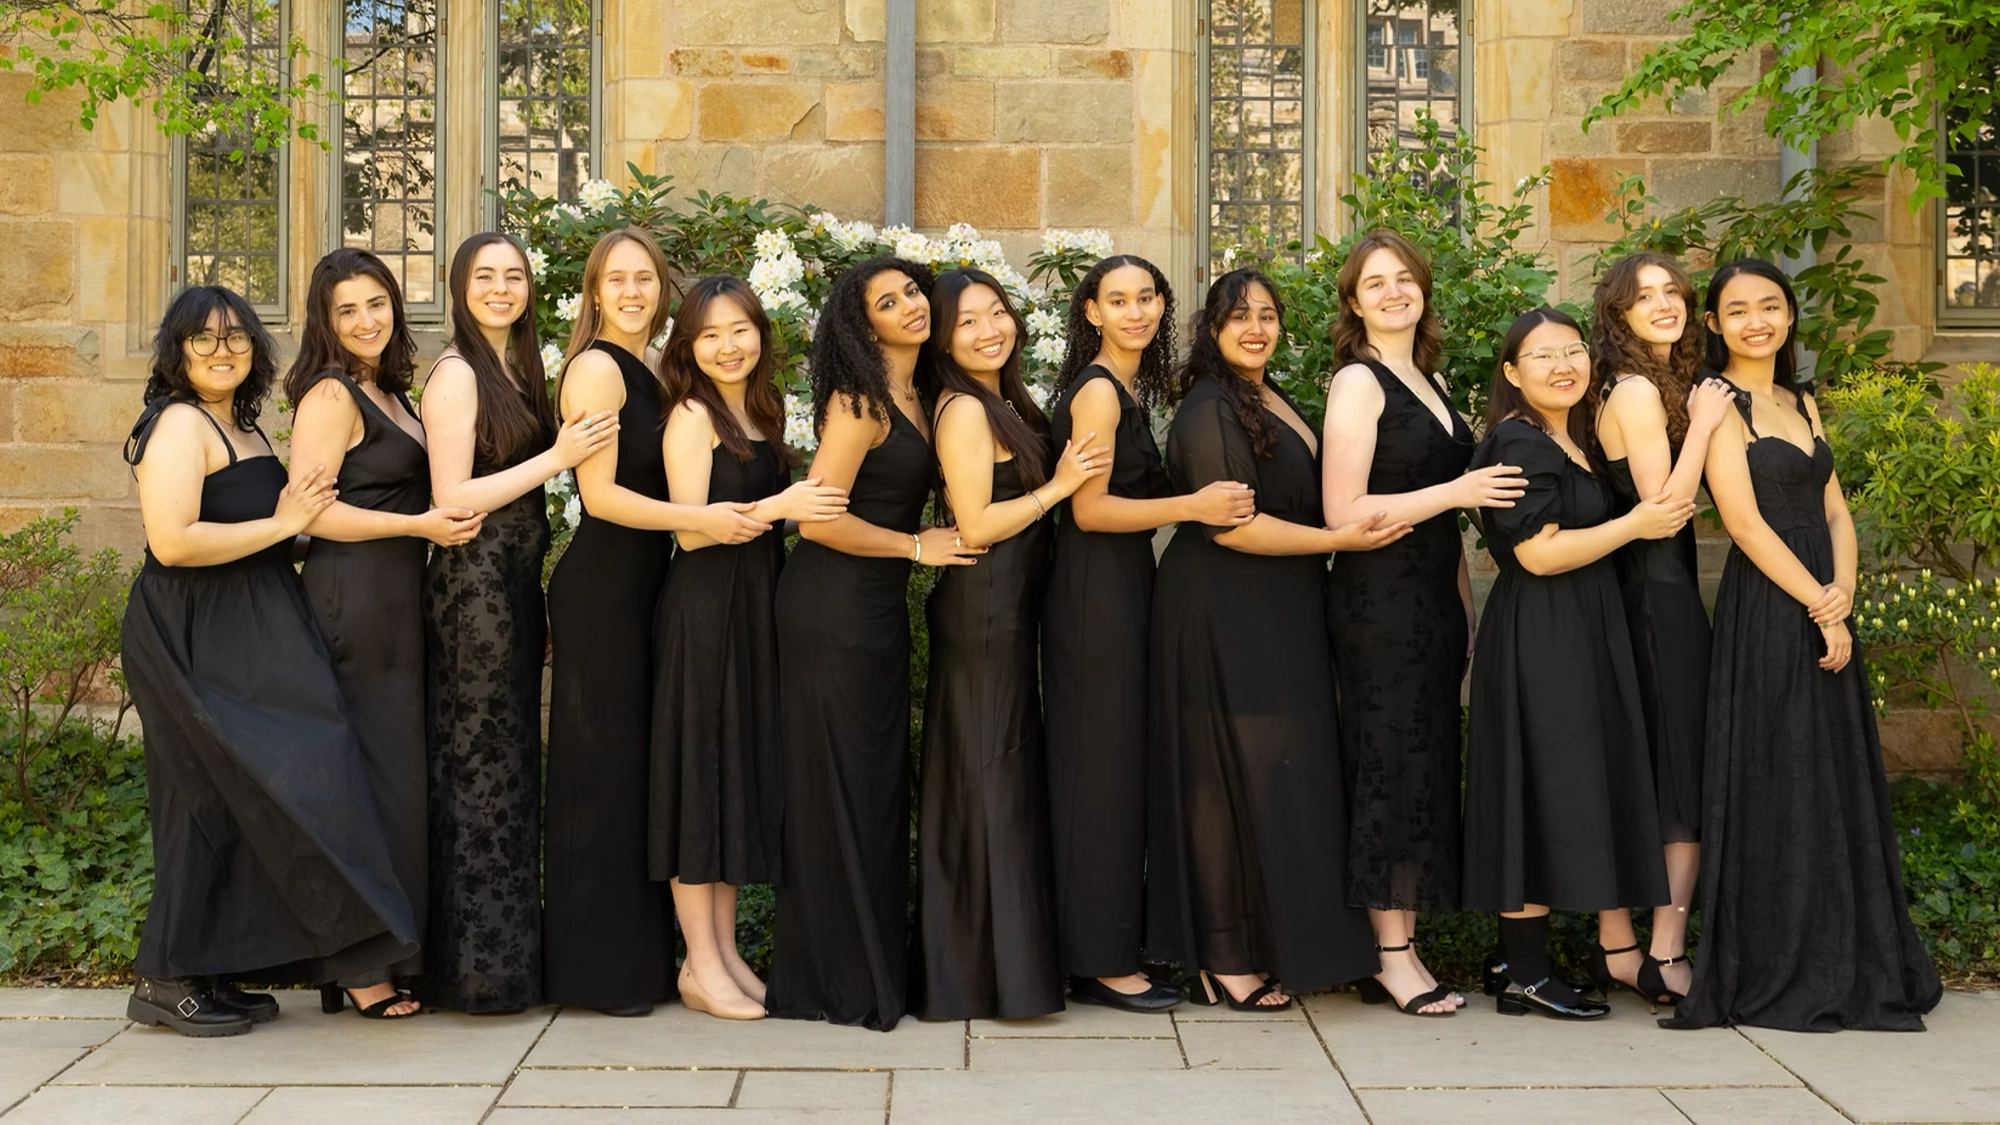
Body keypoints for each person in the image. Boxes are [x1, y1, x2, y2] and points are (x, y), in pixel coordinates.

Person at [121, 286, 418, 1035]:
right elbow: (173, 541)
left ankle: (212, 968)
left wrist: (311, 529)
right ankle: (166, 977)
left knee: (243, 794)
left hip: (253, 619)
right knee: (197, 795)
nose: (222, 351)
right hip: (190, 626)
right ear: (177, 352)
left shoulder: (243, 427)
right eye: (203, 339)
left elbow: (275, 525)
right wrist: (287, 521)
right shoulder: (180, 425)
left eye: (236, 338)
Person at [1663, 260, 1943, 1032]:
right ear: (1713, 323)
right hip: (1769, 608)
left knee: (1832, 777)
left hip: (1825, 604)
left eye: (1772, 306)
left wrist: (1842, 592)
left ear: (1789, 316)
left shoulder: (1803, 398)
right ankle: (1779, 963)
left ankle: (1847, 956)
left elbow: (1838, 510)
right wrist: (1819, 603)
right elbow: (1744, 522)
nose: (1758, 320)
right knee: (1780, 772)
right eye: (1739, 309)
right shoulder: (1716, 402)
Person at [1148, 268, 1408, 1013]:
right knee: (1225, 782)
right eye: (1239, 316)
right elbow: (1233, 526)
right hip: (1223, 606)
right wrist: (1337, 539)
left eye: (1267, 314)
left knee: (1278, 778)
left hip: (1283, 602)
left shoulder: (1268, 397)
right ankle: (1224, 955)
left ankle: (1272, 943)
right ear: (1211, 328)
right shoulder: (1207, 408)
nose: (1255, 327)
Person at [544, 228, 771, 1017]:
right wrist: (707, 518)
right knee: (602, 779)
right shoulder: (599, 367)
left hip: (649, 589)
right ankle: (597, 971)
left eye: (647, 278)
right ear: (595, 293)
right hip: (605, 587)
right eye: (618, 279)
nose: (634, 291)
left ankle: (659, 961)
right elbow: (600, 497)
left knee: (646, 776)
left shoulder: (647, 369)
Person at [767, 257, 982, 1031]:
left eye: (913, 291)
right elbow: (817, 519)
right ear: (864, 326)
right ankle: (837, 981)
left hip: (874, 611)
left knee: (873, 786)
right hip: (832, 608)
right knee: (842, 787)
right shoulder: (859, 402)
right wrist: (915, 548)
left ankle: (868, 968)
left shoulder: (920, 395)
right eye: (887, 302)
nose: (910, 306)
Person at [1320, 230, 1523, 1016]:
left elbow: (1445, 521)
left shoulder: (1426, 380)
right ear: (1353, 301)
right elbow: (1346, 511)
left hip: (1433, 604)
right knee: (1387, 767)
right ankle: (1390, 955)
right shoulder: (1358, 384)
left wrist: (1465, 611)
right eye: (1375, 282)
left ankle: (1402, 940)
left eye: (1405, 278)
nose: (1393, 291)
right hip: (1378, 602)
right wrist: (1459, 491)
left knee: (1423, 765)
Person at [1462, 307, 1684, 1020]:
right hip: (1542, 630)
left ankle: (1541, 959)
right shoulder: (1520, 442)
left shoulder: (1572, 437)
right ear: (1511, 372)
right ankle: (1522, 969)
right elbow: (1537, 552)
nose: (1563, 364)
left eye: (1572, 350)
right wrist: (1634, 524)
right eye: (1541, 355)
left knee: (1571, 784)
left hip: (1582, 625)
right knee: (1537, 786)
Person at [1042, 255, 1252, 1014]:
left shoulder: (1126, 386)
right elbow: (1090, 510)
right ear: (1092, 311)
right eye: (1118, 300)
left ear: (1164, 306)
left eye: (1147, 298)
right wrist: (1193, 505)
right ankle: (1096, 960)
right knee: (1098, 770)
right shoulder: (1098, 390)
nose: (1136, 312)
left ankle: (1108, 945)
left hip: (1124, 584)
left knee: (1117, 766)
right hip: (1094, 589)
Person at [418, 232, 618, 1014]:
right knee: (479, 777)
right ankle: (474, 974)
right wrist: (561, 455)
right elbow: (452, 499)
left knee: (507, 774)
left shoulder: (518, 368)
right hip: (470, 594)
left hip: (509, 590)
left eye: (515, 276)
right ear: (458, 287)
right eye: (485, 276)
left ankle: (506, 964)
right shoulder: (457, 373)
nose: (502, 288)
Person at [287, 247, 485, 1019]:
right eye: (347, 310)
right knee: (368, 779)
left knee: (401, 775)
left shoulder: (392, 391)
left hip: (401, 595)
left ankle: (394, 948)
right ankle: (360, 964)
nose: (367, 319)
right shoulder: (330, 396)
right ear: (325, 323)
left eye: (377, 302)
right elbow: (311, 512)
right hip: (353, 593)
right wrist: (419, 522)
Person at [649, 276, 847, 1022]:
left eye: (740, 330)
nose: (728, 346)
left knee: (732, 779)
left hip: (752, 609)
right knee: (698, 779)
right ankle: (697, 962)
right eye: (710, 335)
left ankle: (726, 955)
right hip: (704, 614)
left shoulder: (759, 410)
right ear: (689, 348)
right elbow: (691, 528)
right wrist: (781, 508)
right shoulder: (692, 414)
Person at [912, 268, 1107, 1021]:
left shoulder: (1000, 399)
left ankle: (995, 972)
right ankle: (978, 978)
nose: (990, 328)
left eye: (998, 311)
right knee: (988, 780)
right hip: (982, 608)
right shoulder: (962, 408)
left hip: (1007, 608)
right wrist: (1058, 488)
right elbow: (974, 523)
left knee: (994, 777)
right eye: (968, 322)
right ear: (944, 339)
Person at [1586, 252, 1735, 1008]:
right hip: (1654, 597)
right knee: (1679, 767)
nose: (1665, 304)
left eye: (1672, 291)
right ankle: (1663, 951)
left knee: (1644, 768)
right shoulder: (1641, 390)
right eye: (1644, 297)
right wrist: (1706, 424)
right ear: (1619, 314)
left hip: (1645, 595)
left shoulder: (1646, 384)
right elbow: (1663, 509)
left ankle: (1625, 948)